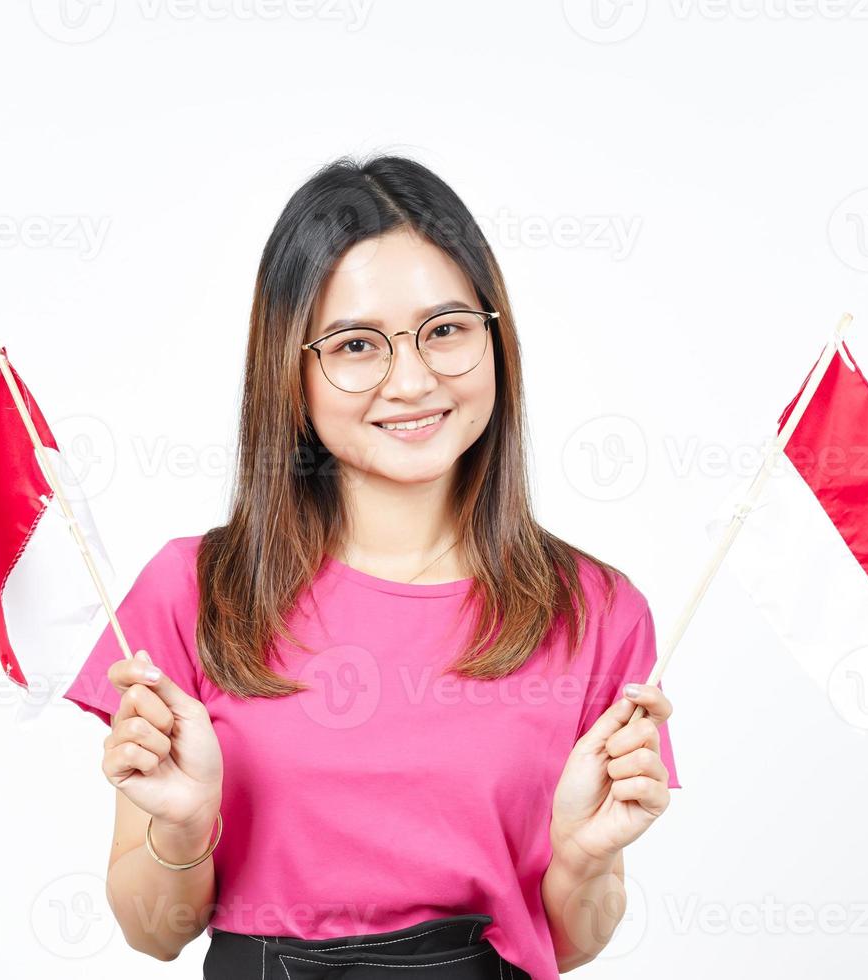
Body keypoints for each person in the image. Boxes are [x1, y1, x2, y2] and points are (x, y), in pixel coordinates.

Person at [62, 153, 680, 979]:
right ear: (292, 369)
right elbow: (155, 933)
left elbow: (571, 943)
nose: (414, 380)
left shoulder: (597, 610)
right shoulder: (191, 593)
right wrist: (182, 826)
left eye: (447, 329)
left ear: (495, 337)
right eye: (358, 344)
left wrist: (586, 859)